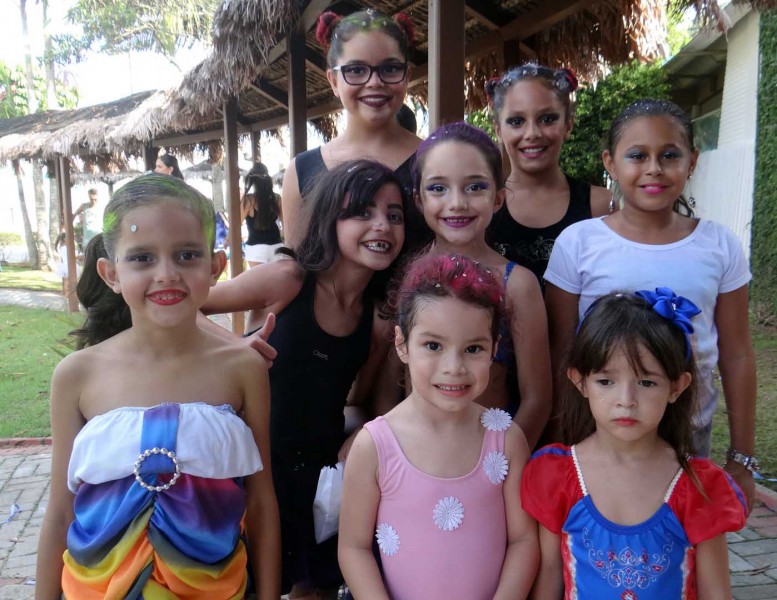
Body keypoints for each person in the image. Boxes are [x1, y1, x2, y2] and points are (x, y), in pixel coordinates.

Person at [35, 174, 280, 599]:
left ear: (215, 267)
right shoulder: (77, 375)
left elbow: (260, 501)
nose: (167, 274)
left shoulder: (244, 368)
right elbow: (60, 510)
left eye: (187, 255)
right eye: (142, 258)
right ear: (111, 273)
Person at [202, 160, 407, 600]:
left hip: (320, 473)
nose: (382, 225)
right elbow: (189, 305)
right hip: (255, 464)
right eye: (363, 211)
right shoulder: (289, 279)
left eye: (394, 215)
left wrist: (369, 433)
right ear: (331, 218)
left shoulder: (376, 320)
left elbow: (365, 402)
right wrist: (234, 347)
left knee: (314, 589)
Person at [544, 98, 756, 509]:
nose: (654, 168)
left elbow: (737, 354)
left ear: (692, 161)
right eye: (637, 155)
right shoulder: (579, 243)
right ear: (610, 162)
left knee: (684, 538)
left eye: (669, 155)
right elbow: (561, 351)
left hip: (687, 435)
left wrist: (742, 458)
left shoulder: (718, 245)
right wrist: (560, 440)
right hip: (598, 432)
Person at [522, 290, 747, 599]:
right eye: (606, 381)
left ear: (677, 387)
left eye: (646, 382)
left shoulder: (700, 487)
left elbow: (717, 594)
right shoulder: (556, 476)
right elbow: (549, 576)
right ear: (579, 381)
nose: (626, 400)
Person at [339, 254, 539, 599]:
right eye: (433, 345)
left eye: (473, 348)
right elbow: (353, 547)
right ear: (402, 344)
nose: (454, 367)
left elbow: (523, 540)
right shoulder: (374, 445)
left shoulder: (506, 440)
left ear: (494, 349)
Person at [412, 122, 551, 448]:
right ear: (419, 200)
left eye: (475, 187)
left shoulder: (518, 284)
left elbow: (538, 399)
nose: (457, 203)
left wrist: (502, 464)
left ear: (498, 198)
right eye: (438, 188)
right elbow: (396, 388)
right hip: (415, 458)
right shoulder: (411, 274)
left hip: (493, 459)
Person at [281, 9, 426, 250]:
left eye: (390, 69)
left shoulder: (434, 159)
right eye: (356, 70)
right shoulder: (301, 171)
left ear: (406, 76)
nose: (375, 82)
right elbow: (294, 264)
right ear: (333, 81)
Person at [485, 63, 614, 284]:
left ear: (568, 124)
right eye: (516, 121)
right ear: (498, 130)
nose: (532, 133)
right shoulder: (483, 207)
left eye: (547, 119)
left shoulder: (601, 206)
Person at [242, 162, 283, 267]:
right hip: (277, 247)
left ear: (252, 181)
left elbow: (236, 224)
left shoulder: (248, 200)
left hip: (256, 249)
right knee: (276, 278)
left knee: (258, 278)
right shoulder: (277, 198)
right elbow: (286, 224)